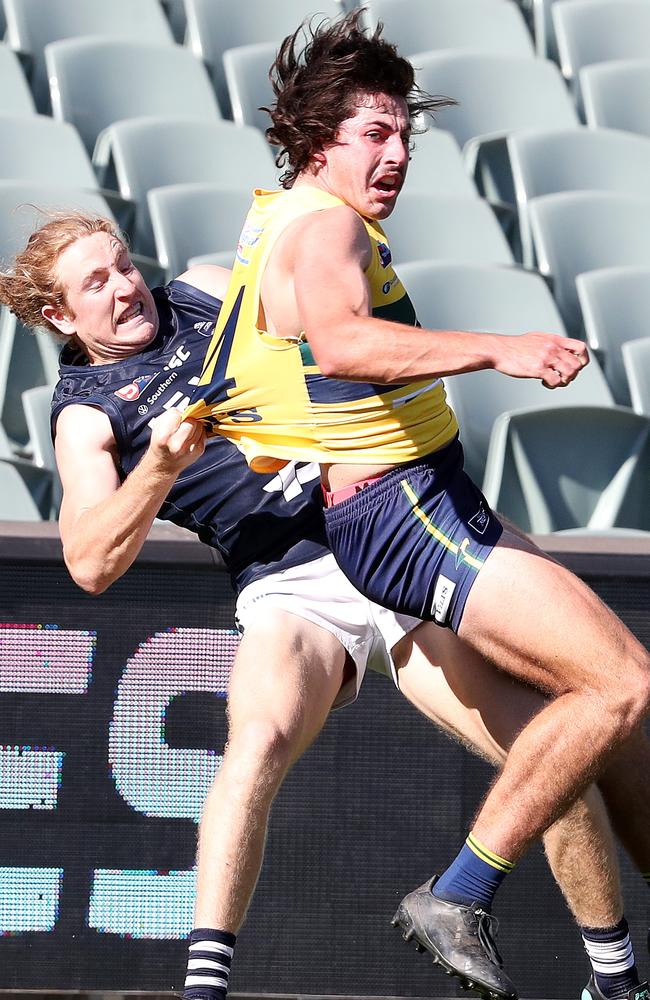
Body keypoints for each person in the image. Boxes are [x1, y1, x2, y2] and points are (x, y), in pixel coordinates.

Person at [0, 213, 648, 1000]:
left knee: (549, 753)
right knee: (259, 737)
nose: (124, 287)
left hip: (378, 519)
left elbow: (332, 325)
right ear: (60, 316)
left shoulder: (204, 294)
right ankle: (204, 991)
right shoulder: (85, 414)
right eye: (94, 283)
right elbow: (90, 562)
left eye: (122, 266)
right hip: (289, 581)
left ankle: (615, 979)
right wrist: (158, 469)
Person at [183, 11, 650, 1000]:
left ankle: (616, 980)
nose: (396, 154)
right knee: (617, 685)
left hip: (428, 501)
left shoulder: (281, 211)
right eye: (373, 134)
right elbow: (344, 342)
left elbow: (281, 348)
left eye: (404, 134)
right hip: (405, 516)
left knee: (611, 727)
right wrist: (500, 348)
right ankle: (457, 894)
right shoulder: (324, 226)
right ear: (318, 142)